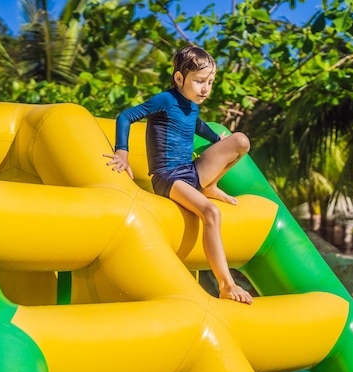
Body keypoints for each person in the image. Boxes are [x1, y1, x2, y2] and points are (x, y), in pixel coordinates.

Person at [104, 45, 253, 305]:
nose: (205, 88)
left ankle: (211, 185)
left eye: (210, 82)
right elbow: (126, 116)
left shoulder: (192, 104)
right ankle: (226, 284)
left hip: (191, 172)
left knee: (240, 140)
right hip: (168, 177)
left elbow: (196, 124)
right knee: (211, 212)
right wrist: (122, 153)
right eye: (199, 81)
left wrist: (216, 138)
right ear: (179, 78)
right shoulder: (166, 100)